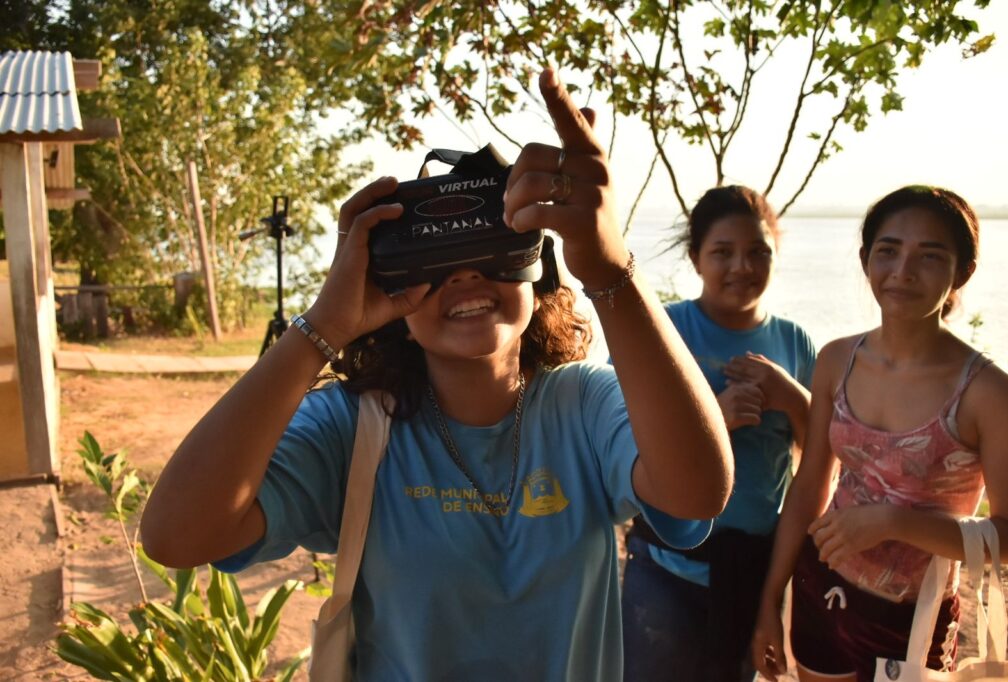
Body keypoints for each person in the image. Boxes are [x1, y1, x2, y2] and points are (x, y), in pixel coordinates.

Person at [140, 67, 733, 681]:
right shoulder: (353, 426)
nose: (466, 277)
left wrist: (611, 270)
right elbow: (177, 536)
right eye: (434, 262)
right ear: (389, 289)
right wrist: (322, 327)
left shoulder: (583, 404)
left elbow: (696, 492)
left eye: (492, 251)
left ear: (540, 270)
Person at [751, 185, 1008, 682]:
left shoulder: (991, 393)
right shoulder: (838, 359)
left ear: (961, 271)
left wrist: (893, 521)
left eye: (929, 255)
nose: (902, 271)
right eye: (888, 250)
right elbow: (811, 483)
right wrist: (771, 598)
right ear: (866, 259)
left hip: (911, 618)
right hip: (819, 586)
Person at [620, 186, 816, 682]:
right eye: (722, 253)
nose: (742, 267)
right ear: (695, 258)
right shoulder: (665, 326)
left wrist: (791, 397)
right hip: (667, 567)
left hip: (753, 573)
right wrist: (714, 418)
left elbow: (824, 455)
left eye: (758, 252)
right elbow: (619, 433)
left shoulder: (793, 341)